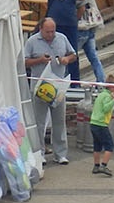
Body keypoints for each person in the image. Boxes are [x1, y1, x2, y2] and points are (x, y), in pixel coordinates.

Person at [24, 17, 76, 163]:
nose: (51, 34)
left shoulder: (62, 38)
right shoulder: (32, 41)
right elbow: (24, 62)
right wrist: (39, 60)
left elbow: (73, 55)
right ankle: (39, 152)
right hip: (39, 87)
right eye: (48, 32)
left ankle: (60, 154)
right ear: (41, 29)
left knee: (59, 121)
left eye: (53, 31)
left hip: (57, 87)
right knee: (39, 122)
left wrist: (67, 59)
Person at [39, 0, 82, 79]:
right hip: (54, 23)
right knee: (52, 50)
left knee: (72, 53)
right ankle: (52, 77)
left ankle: (74, 83)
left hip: (70, 23)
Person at [73, 0, 107, 85]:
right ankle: (101, 80)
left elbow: (81, 8)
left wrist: (74, 21)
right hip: (92, 27)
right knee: (93, 57)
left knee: (72, 56)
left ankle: (72, 82)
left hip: (82, 27)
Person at [88, 77, 114, 176]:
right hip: (101, 124)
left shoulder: (101, 95)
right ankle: (103, 166)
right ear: (112, 87)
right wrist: (113, 100)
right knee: (109, 146)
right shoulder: (108, 96)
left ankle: (96, 166)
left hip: (93, 123)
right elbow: (105, 109)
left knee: (97, 146)